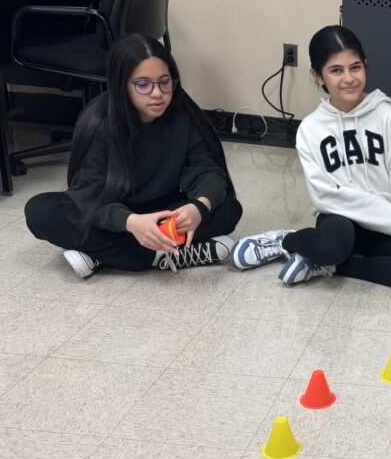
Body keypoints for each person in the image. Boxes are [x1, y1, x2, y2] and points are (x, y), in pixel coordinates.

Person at [231, 25, 391, 290]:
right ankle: (286, 241)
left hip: (383, 225)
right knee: (332, 246)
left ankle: (328, 266)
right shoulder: (310, 130)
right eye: (336, 70)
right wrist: (390, 218)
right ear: (317, 75)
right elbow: (324, 196)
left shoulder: (386, 116)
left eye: (355, 67)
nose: (349, 78)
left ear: (365, 65)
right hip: (339, 219)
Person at [24, 34, 242, 278]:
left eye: (165, 82)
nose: (157, 93)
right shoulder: (98, 121)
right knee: (40, 211)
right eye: (143, 84)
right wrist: (131, 222)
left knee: (228, 209)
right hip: (113, 212)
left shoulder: (183, 114)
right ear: (122, 85)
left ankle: (101, 254)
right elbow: (89, 193)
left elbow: (207, 170)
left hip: (163, 210)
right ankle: (156, 256)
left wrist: (198, 207)